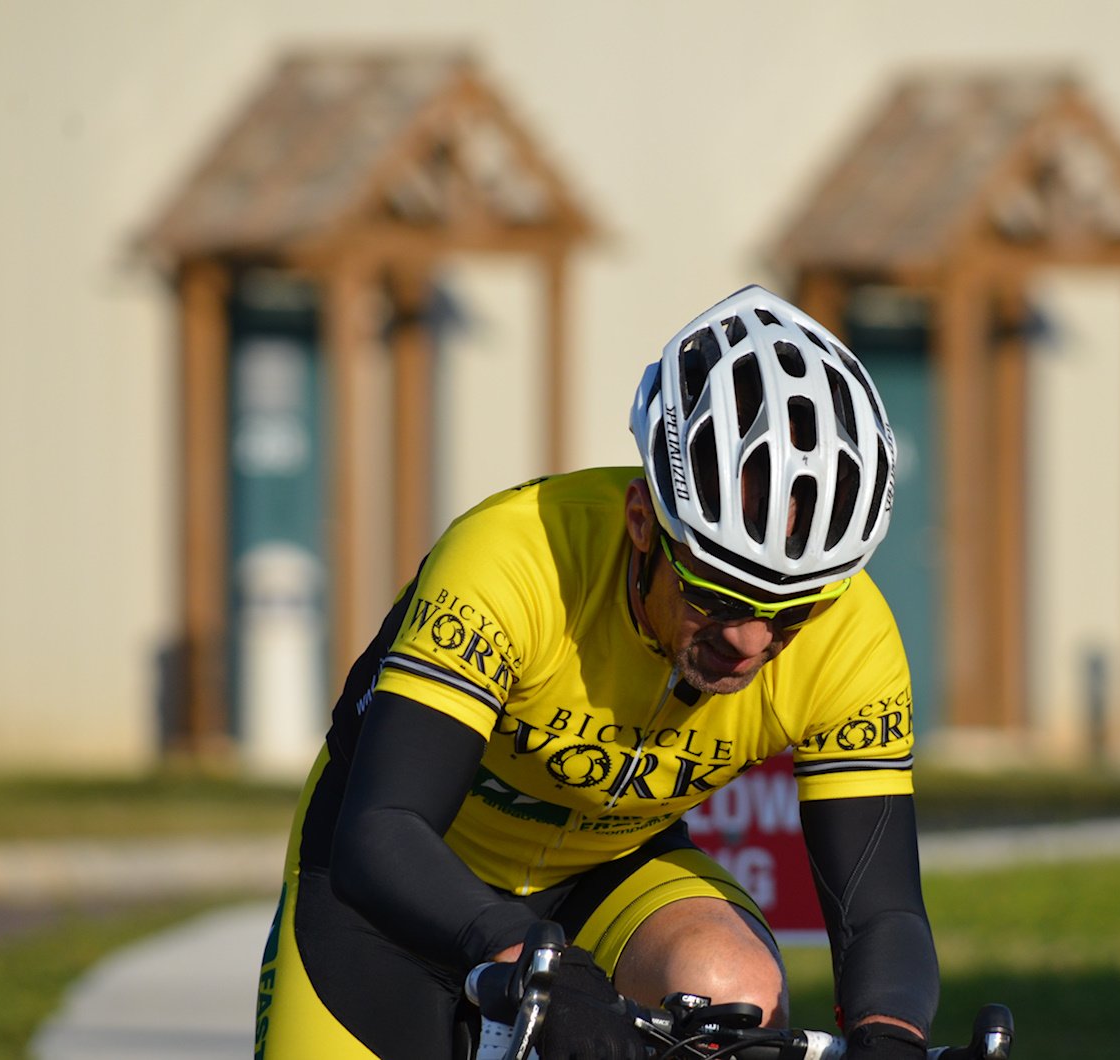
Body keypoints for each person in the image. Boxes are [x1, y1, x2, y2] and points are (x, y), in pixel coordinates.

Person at [255, 285, 938, 1059]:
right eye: (718, 594)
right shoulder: (515, 559)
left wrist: (893, 1037)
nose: (750, 639)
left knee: (729, 989)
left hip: (605, 876)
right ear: (643, 520)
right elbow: (384, 829)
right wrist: (532, 961)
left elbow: (882, 915)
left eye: (791, 614)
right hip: (405, 883)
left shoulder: (852, 633)